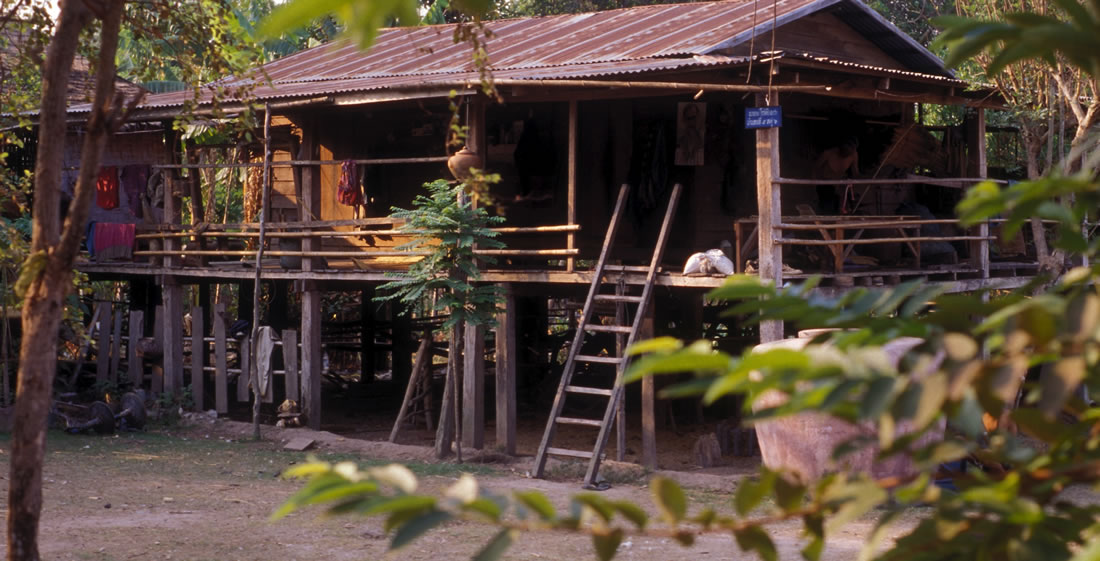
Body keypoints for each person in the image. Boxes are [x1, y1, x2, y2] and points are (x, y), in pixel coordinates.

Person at [813, 137, 860, 214]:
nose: (847, 153)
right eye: (845, 150)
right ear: (841, 147)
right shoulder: (828, 153)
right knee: (827, 208)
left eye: (850, 152)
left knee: (843, 208)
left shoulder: (853, 154)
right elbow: (815, 169)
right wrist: (814, 187)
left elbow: (856, 173)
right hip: (824, 184)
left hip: (839, 186)